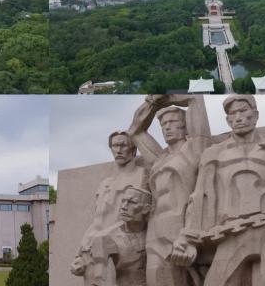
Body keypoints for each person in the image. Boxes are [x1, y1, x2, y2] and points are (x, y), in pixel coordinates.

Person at [170, 95, 265, 286]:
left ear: (255, 115)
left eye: (243, 111)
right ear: (228, 120)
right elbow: (201, 195)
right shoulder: (213, 153)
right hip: (231, 232)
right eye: (233, 113)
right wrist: (188, 238)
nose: (239, 117)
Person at [127, 94, 211, 286]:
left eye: (172, 122)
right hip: (156, 231)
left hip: (183, 226)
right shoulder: (159, 158)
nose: (167, 127)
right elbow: (134, 132)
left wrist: (169, 97)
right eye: (163, 124)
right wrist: (152, 103)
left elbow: (196, 100)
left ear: (185, 126)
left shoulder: (196, 147)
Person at [71, 132, 149, 285]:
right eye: (114, 146)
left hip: (130, 240)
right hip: (103, 244)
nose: (118, 150)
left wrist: (98, 240)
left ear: (133, 150)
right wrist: (79, 254)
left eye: (123, 145)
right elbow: (97, 221)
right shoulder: (106, 183)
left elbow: (143, 213)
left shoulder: (142, 176)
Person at [87, 186, 152, 286]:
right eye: (123, 201)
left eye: (132, 202)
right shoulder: (105, 238)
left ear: (146, 209)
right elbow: (97, 280)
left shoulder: (154, 232)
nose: (124, 206)